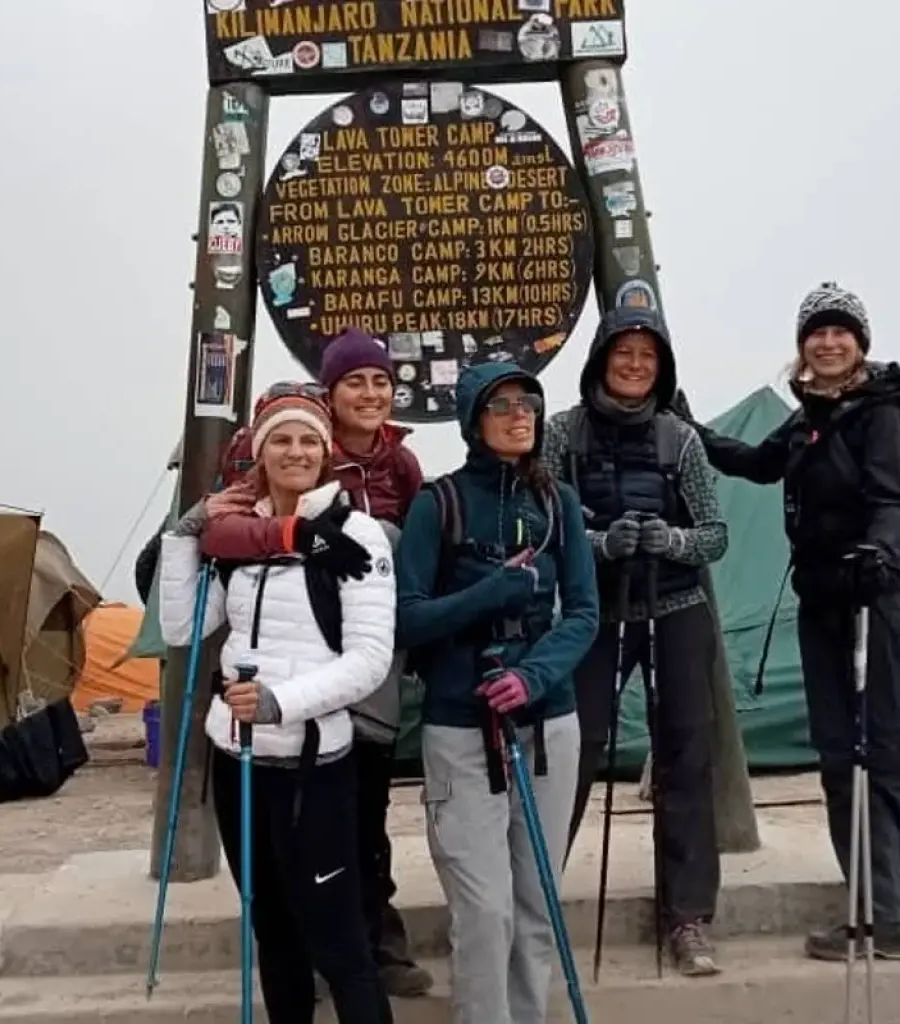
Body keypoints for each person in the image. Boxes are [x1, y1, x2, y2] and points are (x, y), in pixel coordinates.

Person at [199, 328, 434, 997]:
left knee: (363, 815)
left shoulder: (400, 465)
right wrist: (293, 534)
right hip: (289, 671)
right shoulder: (285, 455)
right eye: (355, 381)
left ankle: (373, 946)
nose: (370, 393)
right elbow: (229, 532)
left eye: (380, 381)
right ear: (330, 394)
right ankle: (318, 955)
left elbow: (412, 554)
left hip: (367, 656)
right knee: (306, 833)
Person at [157, 384, 396, 1023]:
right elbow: (183, 629)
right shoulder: (238, 539)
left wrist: (278, 703)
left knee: (339, 939)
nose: (296, 452)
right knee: (272, 927)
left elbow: (369, 661)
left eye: (309, 440)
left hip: (313, 765)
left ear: (327, 451)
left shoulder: (356, 534)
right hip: (238, 758)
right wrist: (187, 533)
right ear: (260, 453)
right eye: (281, 440)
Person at [685, 281, 900, 961]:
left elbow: (892, 497)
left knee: (881, 753)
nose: (828, 343)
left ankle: (891, 915)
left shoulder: (882, 412)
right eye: (817, 333)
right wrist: (690, 431)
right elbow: (756, 464)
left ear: (860, 343)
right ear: (803, 346)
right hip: (822, 601)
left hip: (875, 597)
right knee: (838, 756)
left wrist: (882, 554)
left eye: (841, 332)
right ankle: (868, 906)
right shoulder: (810, 418)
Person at [395, 362, 599, 1024]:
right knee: (485, 909)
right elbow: (406, 618)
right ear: (472, 420)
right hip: (461, 727)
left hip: (549, 723)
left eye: (528, 403)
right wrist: (489, 593)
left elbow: (584, 614)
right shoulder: (438, 503)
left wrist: (532, 676)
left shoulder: (558, 503)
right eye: (502, 404)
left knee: (537, 902)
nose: (520, 416)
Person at [542, 305, 729, 976]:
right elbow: (544, 524)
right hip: (592, 615)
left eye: (648, 356)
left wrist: (668, 540)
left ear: (662, 367)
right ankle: (535, 901)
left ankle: (688, 917)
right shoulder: (561, 434)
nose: (634, 365)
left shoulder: (682, 439)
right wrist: (599, 543)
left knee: (686, 756)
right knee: (570, 751)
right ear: (601, 359)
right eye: (623, 352)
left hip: (674, 608)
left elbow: (714, 534)